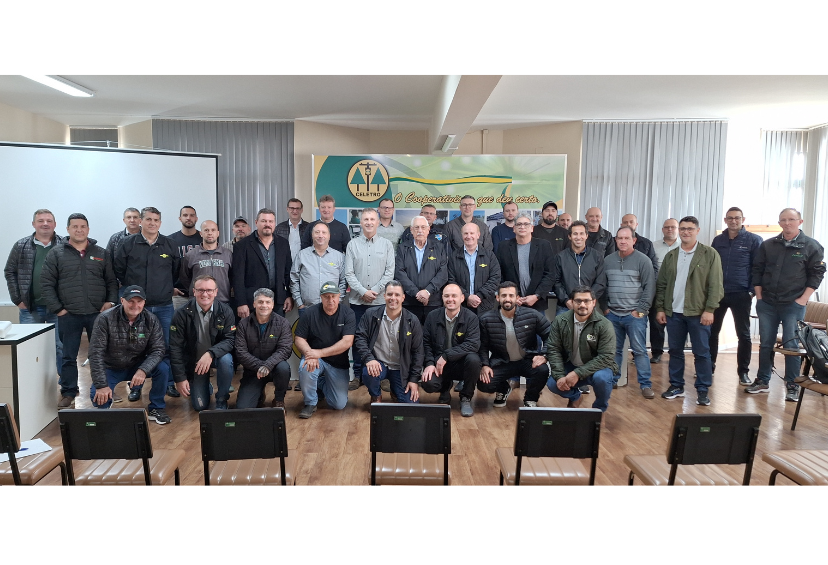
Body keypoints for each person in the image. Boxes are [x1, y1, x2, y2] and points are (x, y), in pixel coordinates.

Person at [41, 213, 118, 408]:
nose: (79, 230)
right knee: (68, 356)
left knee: (102, 354)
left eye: (83, 226)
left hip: (98, 314)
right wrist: (58, 309)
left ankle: (105, 388)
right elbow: (47, 283)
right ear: (67, 229)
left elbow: (111, 280)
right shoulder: (57, 253)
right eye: (75, 226)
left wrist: (110, 302)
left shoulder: (101, 252)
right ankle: (68, 392)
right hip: (69, 314)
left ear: (88, 229)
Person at [748, 207, 826, 401]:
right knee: (766, 343)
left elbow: (817, 275)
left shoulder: (811, 246)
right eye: (783, 220)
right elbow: (757, 270)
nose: (787, 223)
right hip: (767, 303)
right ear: (780, 223)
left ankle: (793, 384)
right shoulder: (768, 245)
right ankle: (763, 380)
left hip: (793, 304)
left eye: (791, 219)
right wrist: (759, 296)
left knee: (791, 344)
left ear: (800, 222)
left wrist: (803, 299)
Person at [654, 216, 723, 406]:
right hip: (674, 312)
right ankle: (676, 385)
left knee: (702, 352)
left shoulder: (709, 254)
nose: (686, 232)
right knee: (675, 350)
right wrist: (660, 308)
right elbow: (662, 285)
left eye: (690, 229)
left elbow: (716, 285)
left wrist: (710, 310)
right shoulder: (671, 256)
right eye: (683, 229)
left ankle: (702, 389)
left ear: (697, 231)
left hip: (698, 313)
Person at [114, 206, 181, 400]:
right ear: (141, 221)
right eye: (149, 219)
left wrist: (166, 288)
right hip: (136, 308)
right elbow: (119, 270)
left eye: (156, 220)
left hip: (163, 305)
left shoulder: (170, 244)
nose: (152, 223)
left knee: (166, 345)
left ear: (160, 223)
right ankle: (135, 386)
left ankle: (168, 383)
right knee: (136, 347)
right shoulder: (128, 244)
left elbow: (176, 271)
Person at [87, 285, 173, 424]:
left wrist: (143, 370)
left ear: (144, 302)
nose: (135, 305)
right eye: (131, 301)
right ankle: (105, 412)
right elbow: (95, 353)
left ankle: (156, 408)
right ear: (122, 300)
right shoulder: (105, 319)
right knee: (99, 401)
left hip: (138, 365)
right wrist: (101, 385)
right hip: (111, 367)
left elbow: (158, 350)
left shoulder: (151, 320)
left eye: (139, 301)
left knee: (162, 368)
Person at [4, 208, 63, 376]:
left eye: (49, 221)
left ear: (55, 224)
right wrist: (17, 299)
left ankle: (65, 385)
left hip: (58, 308)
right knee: (29, 347)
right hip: (30, 307)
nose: (45, 224)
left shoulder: (65, 245)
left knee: (60, 347)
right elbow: (10, 271)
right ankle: (31, 382)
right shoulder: (21, 245)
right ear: (33, 224)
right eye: (41, 221)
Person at [599, 227, 655, 398]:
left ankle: (645, 385)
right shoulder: (607, 260)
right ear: (615, 240)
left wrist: (640, 311)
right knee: (614, 350)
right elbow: (602, 286)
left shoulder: (643, 260)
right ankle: (614, 379)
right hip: (613, 314)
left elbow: (649, 288)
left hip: (634, 316)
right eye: (619, 238)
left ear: (634, 240)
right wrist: (605, 308)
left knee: (639, 350)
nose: (623, 241)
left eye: (626, 238)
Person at [709, 207, 763, 385]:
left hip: (741, 294)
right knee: (712, 331)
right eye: (730, 218)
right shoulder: (718, 240)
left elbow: (758, 268)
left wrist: (751, 291)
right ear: (725, 220)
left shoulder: (754, 240)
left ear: (743, 219)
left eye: (737, 218)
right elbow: (712, 266)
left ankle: (743, 372)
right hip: (718, 294)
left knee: (744, 334)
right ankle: (709, 366)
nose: (733, 221)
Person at [477, 281, 552, 408]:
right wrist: (484, 365)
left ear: (517, 298)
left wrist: (544, 355)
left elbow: (551, 335)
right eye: (504, 295)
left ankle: (530, 399)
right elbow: (482, 346)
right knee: (484, 383)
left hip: (527, 360)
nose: (507, 299)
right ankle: (503, 388)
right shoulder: (486, 319)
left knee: (543, 370)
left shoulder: (532, 315)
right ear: (497, 298)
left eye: (511, 296)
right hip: (502, 362)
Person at [344, 208, 395, 390]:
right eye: (366, 219)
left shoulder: (387, 245)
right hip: (357, 302)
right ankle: (358, 375)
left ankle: (383, 375)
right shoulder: (352, 245)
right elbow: (348, 273)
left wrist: (373, 290)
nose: (369, 222)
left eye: (372, 219)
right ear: (361, 222)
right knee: (359, 339)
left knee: (381, 340)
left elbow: (390, 272)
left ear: (377, 221)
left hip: (380, 301)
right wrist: (362, 291)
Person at [170, 275, 236, 411]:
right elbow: (175, 348)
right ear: (194, 291)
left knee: (226, 360)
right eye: (200, 290)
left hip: (216, 357)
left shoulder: (226, 311)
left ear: (216, 292)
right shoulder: (181, 314)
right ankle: (205, 386)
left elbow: (230, 340)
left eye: (209, 290)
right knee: (200, 406)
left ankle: (222, 399)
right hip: (194, 362)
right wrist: (180, 379)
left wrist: (210, 353)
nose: (205, 294)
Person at [546, 286, 617, 412]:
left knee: (602, 379)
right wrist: (559, 375)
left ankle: (599, 409)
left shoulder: (604, 325)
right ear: (572, 302)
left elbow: (606, 356)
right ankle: (575, 397)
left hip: (597, 368)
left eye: (586, 301)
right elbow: (554, 349)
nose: (582, 304)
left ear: (594, 303)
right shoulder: (560, 321)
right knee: (553, 383)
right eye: (578, 301)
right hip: (571, 365)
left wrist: (578, 373)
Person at [294, 281, 357, 418]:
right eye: (326, 296)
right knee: (306, 367)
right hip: (315, 359)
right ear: (321, 297)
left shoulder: (348, 313)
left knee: (338, 404)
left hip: (337, 363)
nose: (330, 300)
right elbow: (299, 339)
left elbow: (347, 342)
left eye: (333, 296)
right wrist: (309, 354)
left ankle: (320, 384)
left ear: (339, 296)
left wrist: (319, 353)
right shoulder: (309, 313)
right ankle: (310, 402)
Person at [354, 281, 423, 404]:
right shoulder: (371, 315)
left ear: (403, 298)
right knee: (368, 373)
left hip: (400, 369)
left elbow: (418, 352)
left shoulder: (412, 320)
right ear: (384, 296)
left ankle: (395, 391)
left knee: (411, 405)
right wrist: (369, 359)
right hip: (379, 364)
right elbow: (360, 337)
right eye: (390, 294)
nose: (393, 298)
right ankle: (376, 396)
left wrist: (413, 380)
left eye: (397, 295)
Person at [420, 283, 481, 417]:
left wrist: (446, 356)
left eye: (454, 296)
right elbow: (426, 343)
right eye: (446, 296)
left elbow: (473, 344)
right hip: (438, 364)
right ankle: (444, 389)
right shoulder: (432, 316)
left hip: (461, 364)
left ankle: (466, 398)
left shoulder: (471, 318)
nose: (450, 299)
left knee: (474, 360)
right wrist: (429, 364)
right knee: (428, 383)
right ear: (442, 298)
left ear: (462, 298)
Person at [234, 287, 293, 409]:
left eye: (268, 302)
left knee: (284, 368)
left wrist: (268, 365)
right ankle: (259, 394)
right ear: (254, 304)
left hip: (275, 368)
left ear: (272, 304)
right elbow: (240, 352)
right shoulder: (243, 324)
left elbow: (285, 349)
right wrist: (260, 366)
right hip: (253, 371)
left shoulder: (283, 323)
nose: (264, 305)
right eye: (260, 302)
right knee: (242, 408)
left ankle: (279, 399)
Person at [232, 207, 293, 318]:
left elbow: (287, 272)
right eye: (264, 221)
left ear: (275, 223)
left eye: (270, 221)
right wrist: (241, 302)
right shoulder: (241, 246)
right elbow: (237, 277)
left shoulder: (283, 243)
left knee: (276, 334)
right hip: (253, 302)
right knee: (253, 334)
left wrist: (288, 295)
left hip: (278, 301)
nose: (267, 224)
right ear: (256, 222)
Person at [496, 212, 556, 313]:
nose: (522, 227)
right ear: (514, 228)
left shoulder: (544, 246)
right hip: (511, 303)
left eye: (526, 224)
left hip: (537, 303)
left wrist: (537, 296)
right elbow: (499, 275)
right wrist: (512, 296)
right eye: (519, 224)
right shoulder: (504, 247)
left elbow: (550, 274)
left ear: (532, 228)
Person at [394, 215, 447, 324]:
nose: (420, 231)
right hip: (409, 302)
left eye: (423, 227)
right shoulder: (402, 248)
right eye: (416, 227)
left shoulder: (439, 247)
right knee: (410, 337)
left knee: (432, 336)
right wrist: (416, 293)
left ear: (428, 230)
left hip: (433, 302)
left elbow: (443, 273)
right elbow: (399, 273)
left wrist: (427, 291)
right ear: (411, 230)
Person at [290, 222, 346, 312]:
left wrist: (338, 301)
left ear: (329, 235)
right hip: (307, 309)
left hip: (332, 309)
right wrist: (299, 304)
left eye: (324, 232)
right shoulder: (302, 255)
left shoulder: (339, 257)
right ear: (312, 235)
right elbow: (294, 280)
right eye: (317, 232)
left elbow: (343, 281)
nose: (320, 235)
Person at [447, 221, 501, 315]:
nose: (469, 236)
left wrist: (479, 296)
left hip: (485, 306)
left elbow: (495, 278)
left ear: (478, 235)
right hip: (461, 305)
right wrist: (467, 296)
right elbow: (451, 280)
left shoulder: (489, 255)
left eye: (472, 233)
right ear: (462, 235)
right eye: (466, 233)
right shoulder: (453, 256)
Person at [553, 220, 606, 316]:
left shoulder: (597, 257)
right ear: (569, 236)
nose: (578, 237)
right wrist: (566, 300)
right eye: (575, 234)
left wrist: (588, 300)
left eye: (581, 233)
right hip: (565, 307)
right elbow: (556, 282)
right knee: (562, 331)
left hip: (588, 307)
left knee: (589, 331)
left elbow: (600, 282)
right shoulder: (560, 257)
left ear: (586, 235)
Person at [179, 220, 233, 305]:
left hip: (223, 302)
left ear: (218, 233)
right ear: (201, 233)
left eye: (213, 230)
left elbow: (232, 277)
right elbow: (185, 278)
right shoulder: (190, 255)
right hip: (198, 302)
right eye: (206, 230)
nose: (210, 233)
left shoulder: (228, 254)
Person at [649, 218, 680, 364]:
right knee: (657, 323)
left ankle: (676, 352)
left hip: (678, 290)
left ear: (678, 229)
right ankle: (657, 352)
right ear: (662, 229)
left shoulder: (684, 246)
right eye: (667, 227)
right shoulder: (653, 246)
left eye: (673, 227)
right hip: (658, 289)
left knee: (677, 323)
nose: (670, 230)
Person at [167, 206, 202, 310]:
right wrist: (170, 288)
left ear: (196, 218)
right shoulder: (170, 240)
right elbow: (166, 266)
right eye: (185, 215)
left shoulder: (204, 238)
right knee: (178, 325)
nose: (188, 218)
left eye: (192, 215)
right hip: (179, 293)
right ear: (180, 218)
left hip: (202, 293)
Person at [105, 207, 141, 275]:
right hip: (121, 281)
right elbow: (108, 261)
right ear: (124, 220)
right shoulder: (115, 238)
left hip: (143, 281)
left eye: (135, 217)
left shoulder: (148, 237)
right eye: (129, 217)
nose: (132, 220)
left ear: (140, 220)